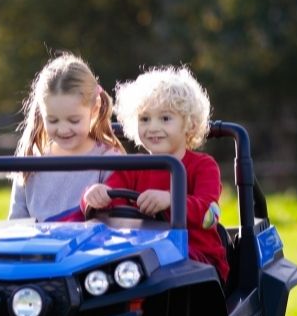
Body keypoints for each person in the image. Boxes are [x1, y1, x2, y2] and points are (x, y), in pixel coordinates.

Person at [82, 66, 229, 281]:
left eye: (165, 118)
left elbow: (209, 214)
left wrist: (172, 201)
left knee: (158, 265)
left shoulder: (203, 166)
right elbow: (112, 199)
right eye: (144, 119)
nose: (153, 127)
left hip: (196, 258)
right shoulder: (132, 168)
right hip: (140, 255)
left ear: (189, 124)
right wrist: (96, 195)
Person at [8, 53, 124, 222]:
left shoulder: (109, 160)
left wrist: (101, 200)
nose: (63, 129)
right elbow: (16, 224)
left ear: (94, 109)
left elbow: (120, 222)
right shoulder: (30, 162)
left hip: (90, 247)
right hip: (39, 247)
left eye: (74, 120)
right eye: (53, 120)